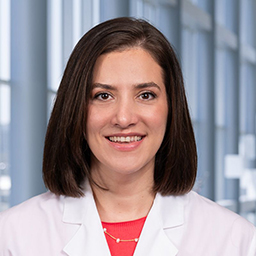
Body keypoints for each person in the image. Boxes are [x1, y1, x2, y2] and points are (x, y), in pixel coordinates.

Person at [0, 17, 255, 256]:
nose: (124, 118)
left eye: (145, 95)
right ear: (76, 108)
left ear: (171, 108)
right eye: (103, 95)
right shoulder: (13, 236)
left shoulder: (234, 240)